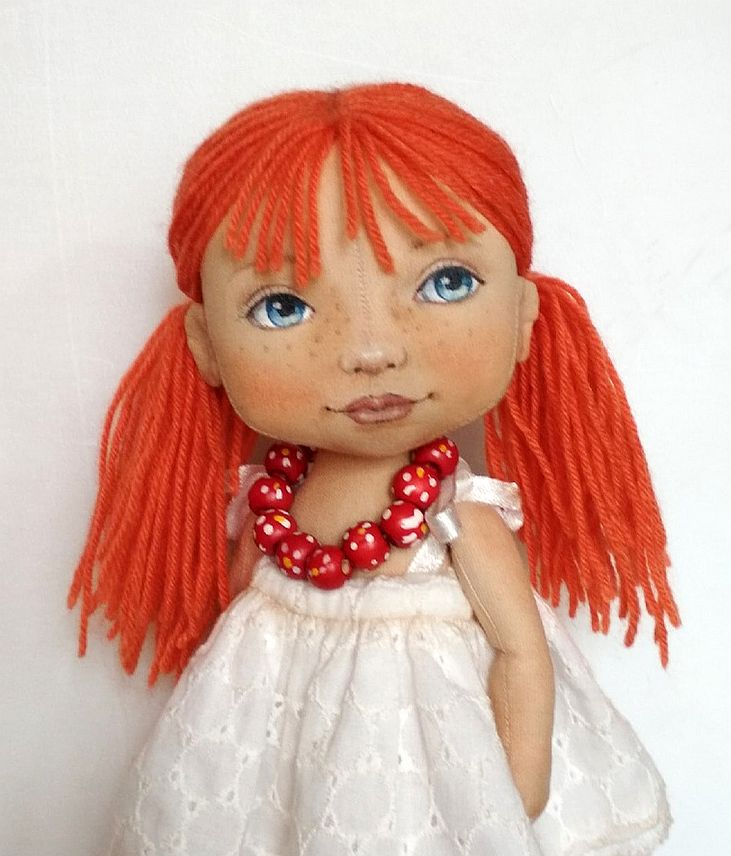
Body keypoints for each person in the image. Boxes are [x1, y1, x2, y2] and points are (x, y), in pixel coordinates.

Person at [69, 83, 679, 855]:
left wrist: (514, 791)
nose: (370, 351)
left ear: (524, 317)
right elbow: (235, 610)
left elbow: (520, 651)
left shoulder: (457, 514)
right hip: (268, 751)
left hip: (430, 772)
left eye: (446, 282)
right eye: (281, 306)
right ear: (205, 346)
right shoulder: (271, 503)